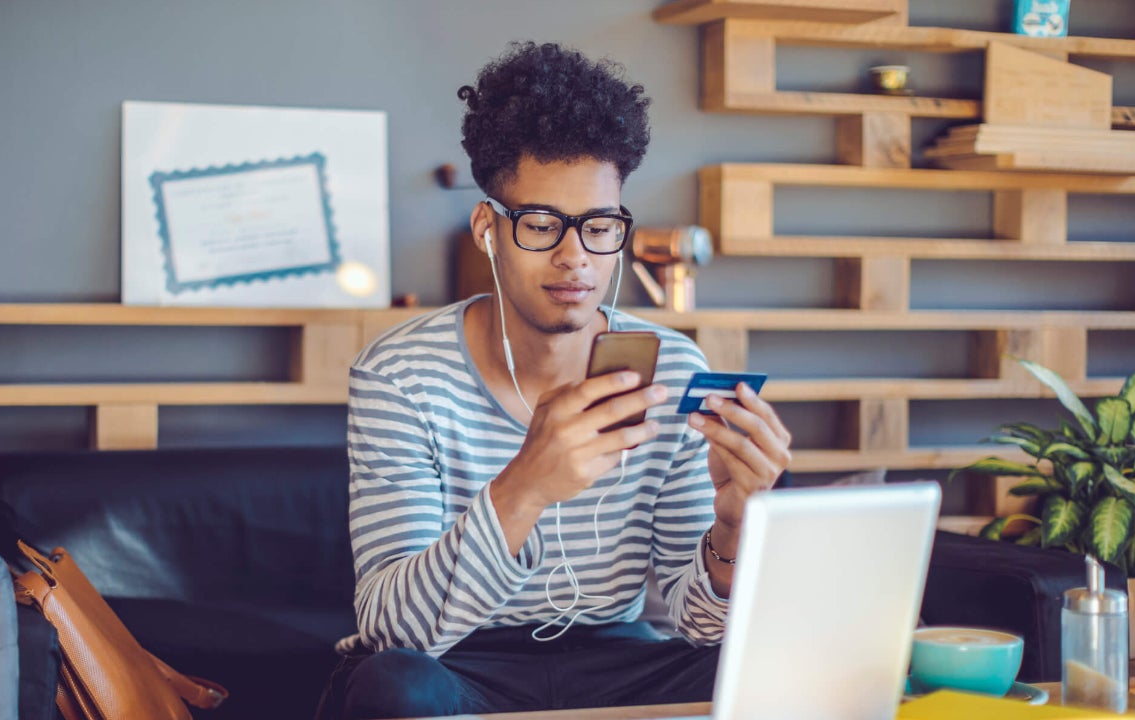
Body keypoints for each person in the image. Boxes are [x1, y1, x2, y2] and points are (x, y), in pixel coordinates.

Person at [317, 41, 792, 720]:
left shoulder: (673, 369)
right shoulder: (401, 376)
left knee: (762, 665)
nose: (575, 258)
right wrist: (526, 486)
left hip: (621, 661)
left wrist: (734, 531)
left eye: (599, 226)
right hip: (460, 665)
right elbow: (398, 632)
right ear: (489, 228)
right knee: (395, 684)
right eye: (542, 225)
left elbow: (701, 627)